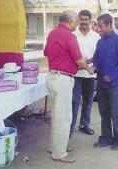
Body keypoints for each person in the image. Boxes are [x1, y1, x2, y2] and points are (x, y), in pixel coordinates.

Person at [44, 10, 94, 163]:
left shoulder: (53, 33)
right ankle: (59, 153)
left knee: (57, 115)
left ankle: (56, 146)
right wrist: (89, 68)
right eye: (76, 21)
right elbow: (79, 60)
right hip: (63, 80)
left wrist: (65, 61)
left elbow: (46, 52)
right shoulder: (69, 36)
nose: (78, 24)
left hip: (53, 77)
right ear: (70, 21)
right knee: (64, 117)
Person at [93, 13, 118, 150]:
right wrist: (94, 67)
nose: (98, 28)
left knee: (115, 111)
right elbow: (96, 59)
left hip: (113, 84)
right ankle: (106, 137)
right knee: (104, 111)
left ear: (109, 25)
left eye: (100, 26)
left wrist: (112, 75)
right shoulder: (100, 41)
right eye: (97, 25)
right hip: (101, 83)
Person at [70, 10, 100, 137]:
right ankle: (70, 127)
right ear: (78, 19)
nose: (83, 22)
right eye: (81, 19)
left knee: (88, 101)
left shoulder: (96, 36)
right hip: (76, 74)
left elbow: (99, 54)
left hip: (90, 74)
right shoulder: (72, 35)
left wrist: (91, 61)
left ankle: (84, 125)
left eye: (85, 19)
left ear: (90, 20)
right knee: (74, 101)